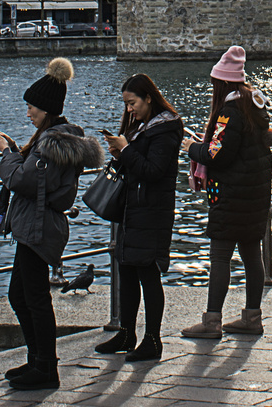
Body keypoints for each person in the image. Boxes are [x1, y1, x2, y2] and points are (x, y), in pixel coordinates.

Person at [0, 58, 104, 390]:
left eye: (32, 107)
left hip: (37, 226)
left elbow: (22, 181)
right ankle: (38, 360)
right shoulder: (53, 139)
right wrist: (14, 149)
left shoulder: (53, 144)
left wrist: (6, 154)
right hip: (34, 224)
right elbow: (34, 176)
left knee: (34, 297)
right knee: (20, 295)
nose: (28, 113)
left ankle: (46, 369)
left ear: (46, 109)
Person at [181, 45, 272, 339]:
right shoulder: (253, 106)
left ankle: (211, 322)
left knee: (220, 257)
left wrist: (192, 148)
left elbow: (216, 155)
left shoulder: (228, 113)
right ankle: (252, 317)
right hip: (255, 196)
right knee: (251, 255)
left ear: (222, 83)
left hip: (231, 197)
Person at [97, 74, 182, 362]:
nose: (129, 109)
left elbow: (154, 170)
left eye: (132, 103)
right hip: (134, 209)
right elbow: (137, 166)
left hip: (152, 211)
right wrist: (119, 153)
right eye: (125, 104)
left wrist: (128, 149)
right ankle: (127, 332)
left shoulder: (166, 129)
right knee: (128, 271)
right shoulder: (144, 126)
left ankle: (153, 340)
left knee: (148, 273)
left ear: (148, 98)